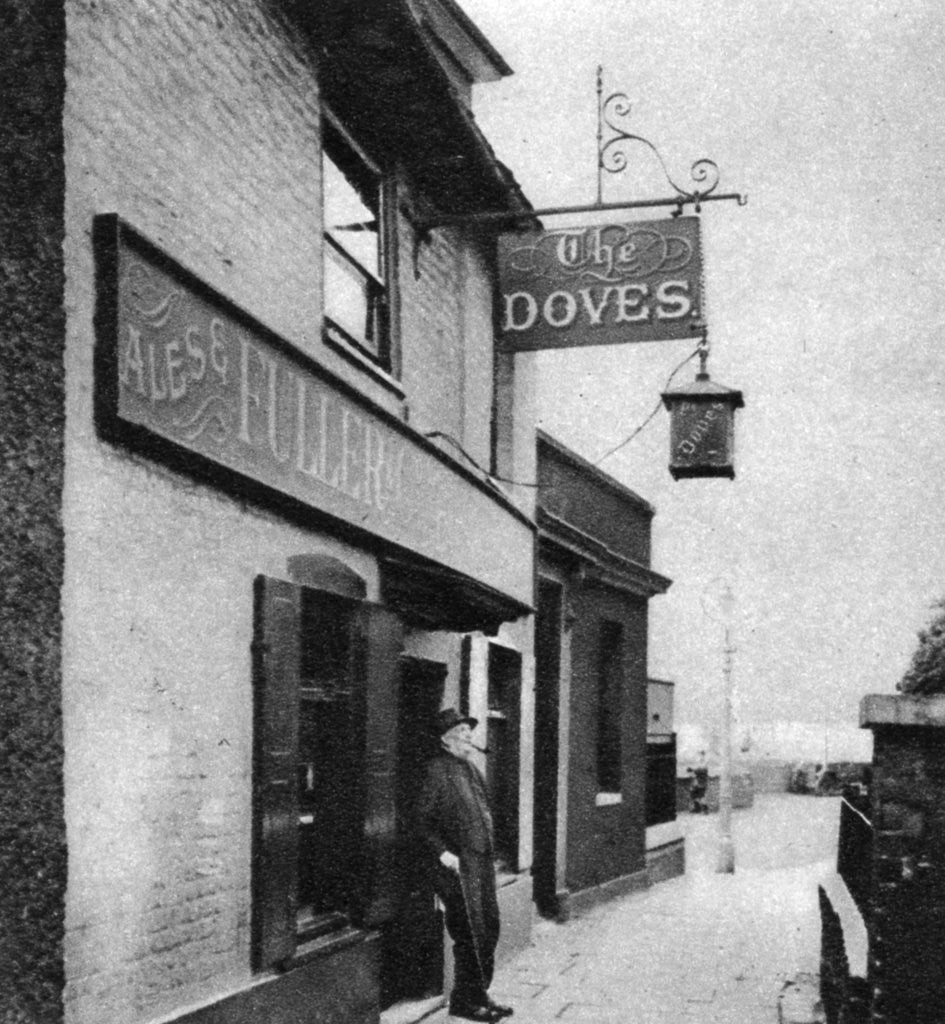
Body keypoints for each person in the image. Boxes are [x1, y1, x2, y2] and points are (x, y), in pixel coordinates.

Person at [417, 708, 513, 1022]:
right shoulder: (435, 771)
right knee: (469, 932)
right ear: (445, 740)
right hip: (456, 866)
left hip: (481, 863)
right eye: (461, 732)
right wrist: (443, 852)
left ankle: (478, 993)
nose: (469, 736)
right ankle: (464, 1002)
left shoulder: (471, 769)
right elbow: (421, 821)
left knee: (490, 927)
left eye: (469, 731)